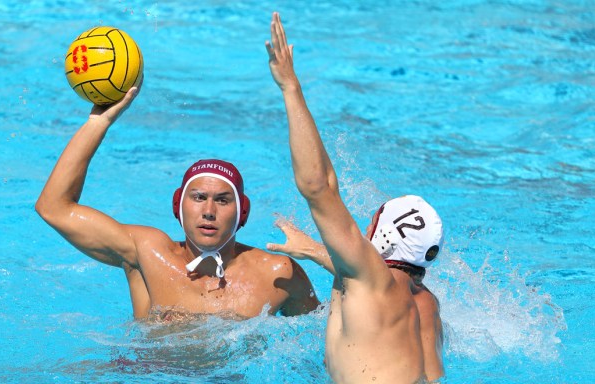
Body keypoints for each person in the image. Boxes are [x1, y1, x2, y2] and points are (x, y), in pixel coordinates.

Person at [35, 80, 320, 321]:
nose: (208, 211)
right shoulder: (146, 253)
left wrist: (321, 255)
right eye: (198, 198)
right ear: (177, 206)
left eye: (222, 201)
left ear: (243, 213)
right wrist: (99, 122)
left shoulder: (278, 275)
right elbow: (53, 207)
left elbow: (331, 338)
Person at [265, 12, 444, 383]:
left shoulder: (368, 276)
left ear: (382, 233)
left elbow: (317, 187)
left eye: (373, 221)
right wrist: (315, 250)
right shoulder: (426, 303)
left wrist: (290, 88)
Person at [267, 215, 444, 381]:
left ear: (387, 238)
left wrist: (310, 248)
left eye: (374, 223)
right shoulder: (428, 301)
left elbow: (363, 275)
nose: (367, 228)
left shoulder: (381, 288)